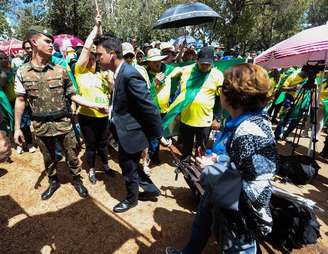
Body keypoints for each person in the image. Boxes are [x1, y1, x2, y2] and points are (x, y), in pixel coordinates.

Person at [166, 63, 278, 254]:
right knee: (201, 222)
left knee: (239, 249)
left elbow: (257, 187)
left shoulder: (249, 131)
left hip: (237, 212)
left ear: (232, 95)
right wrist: (220, 160)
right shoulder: (243, 120)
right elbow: (244, 163)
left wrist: (213, 168)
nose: (219, 93)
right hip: (221, 194)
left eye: (222, 88)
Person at [14, 26, 107, 200]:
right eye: (47, 41)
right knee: (48, 158)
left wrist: (95, 105)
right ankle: (53, 181)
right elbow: (20, 101)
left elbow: (73, 95)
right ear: (34, 42)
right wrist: (18, 128)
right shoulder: (22, 72)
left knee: (72, 155)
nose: (52, 45)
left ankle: (77, 179)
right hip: (41, 126)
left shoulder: (60, 70)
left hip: (64, 123)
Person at [95, 32, 163, 213]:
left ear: (112, 54)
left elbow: (148, 107)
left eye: (99, 54)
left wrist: (157, 134)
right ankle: (151, 189)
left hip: (132, 134)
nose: (97, 58)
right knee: (131, 164)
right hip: (125, 130)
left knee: (128, 167)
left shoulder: (129, 74)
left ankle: (131, 199)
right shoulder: (119, 72)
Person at [75, 14, 115, 184]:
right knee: (91, 147)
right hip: (87, 116)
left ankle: (105, 166)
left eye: (94, 58)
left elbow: (114, 92)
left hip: (104, 117)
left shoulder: (103, 75)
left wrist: (110, 82)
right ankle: (91, 169)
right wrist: (96, 28)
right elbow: (85, 48)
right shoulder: (80, 72)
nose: (92, 60)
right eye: (91, 58)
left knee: (103, 144)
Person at [177, 47, 223, 159]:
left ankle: (198, 163)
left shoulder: (217, 75)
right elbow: (179, 93)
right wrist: (177, 112)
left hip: (205, 120)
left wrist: (217, 118)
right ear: (197, 60)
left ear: (213, 62)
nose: (205, 66)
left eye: (208, 64)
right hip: (186, 117)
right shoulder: (187, 71)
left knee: (200, 147)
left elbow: (220, 99)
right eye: (202, 63)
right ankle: (185, 162)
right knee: (186, 144)